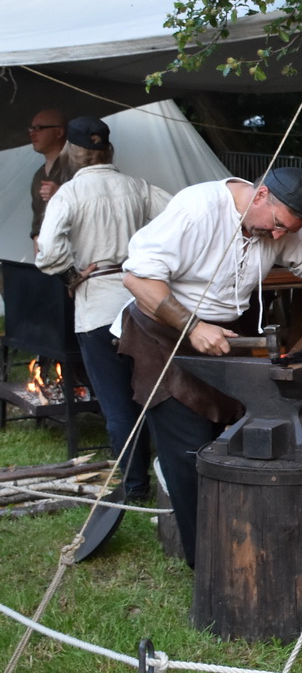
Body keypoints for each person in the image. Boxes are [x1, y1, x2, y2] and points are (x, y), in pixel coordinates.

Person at [119, 166, 302, 566]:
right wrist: (192, 326)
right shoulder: (197, 209)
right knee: (187, 451)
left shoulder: (280, 226)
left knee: (229, 440)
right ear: (260, 196)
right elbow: (137, 279)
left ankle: (238, 538)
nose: (278, 237)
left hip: (223, 338)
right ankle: (204, 563)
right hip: (162, 335)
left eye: (286, 231)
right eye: (276, 225)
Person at [35, 117, 172, 507]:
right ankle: (168, 477)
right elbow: (177, 217)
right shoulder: (137, 187)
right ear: (108, 150)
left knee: (116, 402)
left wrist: (73, 270)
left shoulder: (69, 194)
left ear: (73, 155)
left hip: (96, 308)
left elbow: (47, 254)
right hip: (142, 305)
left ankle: (134, 487)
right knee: (153, 395)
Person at [27, 107, 67, 248]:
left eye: (38, 128)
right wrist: (38, 255)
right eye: (31, 129)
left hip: (74, 257)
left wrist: (61, 193)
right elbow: (37, 222)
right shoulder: (39, 175)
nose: (32, 133)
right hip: (48, 259)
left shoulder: (75, 167)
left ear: (59, 132)